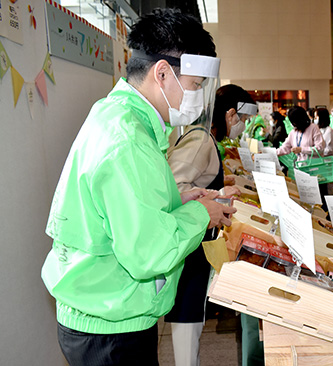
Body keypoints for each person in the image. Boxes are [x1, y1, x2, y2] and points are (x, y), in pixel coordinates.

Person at [40, 9, 236, 365]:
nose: (195, 98)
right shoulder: (129, 139)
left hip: (102, 309)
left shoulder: (119, 115)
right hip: (109, 326)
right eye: (194, 86)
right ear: (162, 73)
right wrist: (199, 213)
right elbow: (148, 253)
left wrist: (180, 200)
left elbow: (127, 207)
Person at [165, 84, 251, 366]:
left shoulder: (204, 137)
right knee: (187, 323)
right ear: (229, 114)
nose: (243, 127)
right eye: (243, 120)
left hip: (197, 239)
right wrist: (215, 198)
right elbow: (172, 190)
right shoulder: (201, 140)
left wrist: (218, 194)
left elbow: (193, 184)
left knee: (194, 320)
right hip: (189, 245)